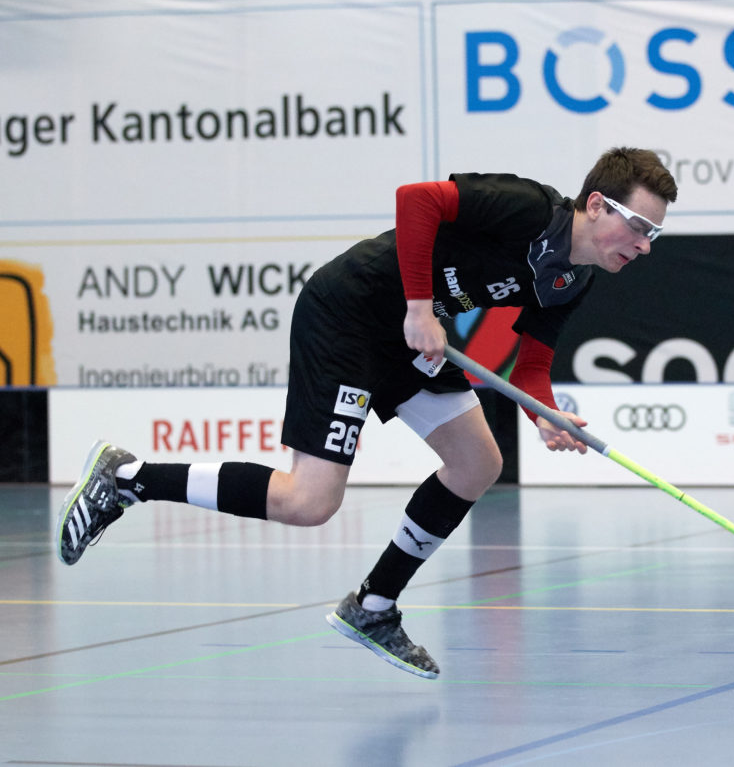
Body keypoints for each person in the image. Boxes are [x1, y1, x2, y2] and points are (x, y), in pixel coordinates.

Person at [56, 147, 678, 680]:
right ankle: (129, 478)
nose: (646, 246)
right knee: (309, 502)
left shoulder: (572, 279)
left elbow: (533, 365)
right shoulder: (525, 208)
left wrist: (543, 411)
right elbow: (417, 200)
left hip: (412, 339)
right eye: (638, 226)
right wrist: (417, 306)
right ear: (596, 205)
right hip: (352, 314)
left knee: (476, 464)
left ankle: (374, 606)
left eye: (655, 235)